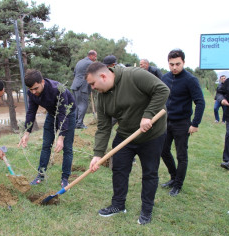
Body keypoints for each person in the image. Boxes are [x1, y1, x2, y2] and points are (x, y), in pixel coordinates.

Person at [86, 62, 169, 225]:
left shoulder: (134, 75)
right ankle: (118, 205)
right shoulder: (101, 97)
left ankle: (146, 210)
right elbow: (103, 127)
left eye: (92, 84)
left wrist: (148, 114)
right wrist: (98, 154)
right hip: (125, 135)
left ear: (103, 76)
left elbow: (163, 90)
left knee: (150, 172)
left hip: (152, 135)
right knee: (119, 169)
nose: (92, 88)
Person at [18, 69, 76, 187]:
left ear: (42, 82)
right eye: (31, 89)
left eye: (36, 88)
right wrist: (26, 132)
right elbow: (31, 112)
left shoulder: (57, 90)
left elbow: (63, 113)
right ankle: (41, 174)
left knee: (67, 147)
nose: (34, 92)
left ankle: (65, 178)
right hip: (51, 114)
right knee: (46, 145)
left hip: (68, 113)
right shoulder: (32, 93)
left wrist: (61, 136)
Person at [160, 49, 205, 197]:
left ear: (183, 62)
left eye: (177, 64)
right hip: (166, 121)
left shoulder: (190, 80)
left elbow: (200, 102)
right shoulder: (165, 78)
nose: (174, 67)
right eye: (171, 64)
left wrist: (195, 123)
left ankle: (178, 185)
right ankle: (173, 177)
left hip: (182, 122)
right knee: (163, 150)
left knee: (181, 155)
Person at [71, 50, 97, 129]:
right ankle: (79, 124)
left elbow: (74, 73)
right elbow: (95, 74)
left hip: (75, 85)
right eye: (95, 56)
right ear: (91, 56)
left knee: (76, 105)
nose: (96, 58)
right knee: (83, 105)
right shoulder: (90, 63)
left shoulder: (80, 62)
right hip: (82, 86)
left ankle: (75, 123)